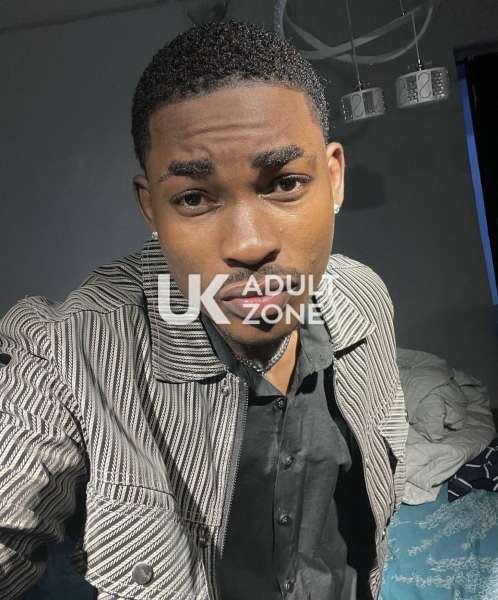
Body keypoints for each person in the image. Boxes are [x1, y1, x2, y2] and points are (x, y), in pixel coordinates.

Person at [0, 19, 408, 600]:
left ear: (335, 178)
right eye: (193, 197)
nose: (248, 244)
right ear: (151, 209)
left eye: (285, 183)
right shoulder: (70, 351)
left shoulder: (364, 297)